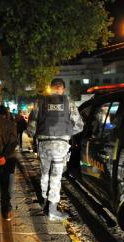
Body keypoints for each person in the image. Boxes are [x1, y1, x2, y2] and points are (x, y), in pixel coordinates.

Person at [27, 78, 84, 221]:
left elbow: (31, 126)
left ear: (51, 88)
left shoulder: (40, 102)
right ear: (62, 89)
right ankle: (52, 210)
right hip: (60, 145)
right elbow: (79, 125)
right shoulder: (68, 103)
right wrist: (66, 133)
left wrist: (34, 135)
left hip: (44, 143)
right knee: (56, 177)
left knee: (45, 173)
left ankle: (44, 200)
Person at [0, 105, 18, 220]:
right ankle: (6, 210)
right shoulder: (11, 124)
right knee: (7, 184)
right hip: (8, 159)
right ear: (6, 114)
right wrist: (4, 156)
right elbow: (13, 142)